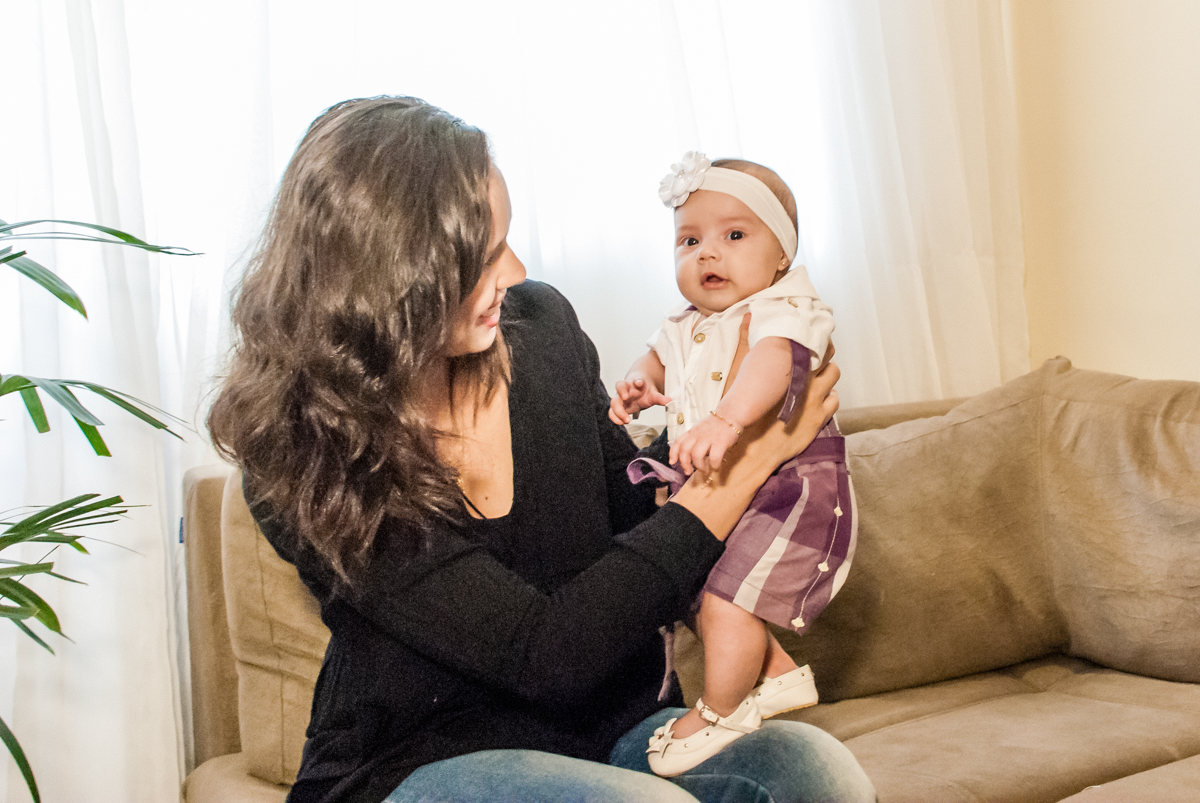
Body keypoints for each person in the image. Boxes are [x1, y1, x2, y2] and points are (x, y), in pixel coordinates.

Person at [208, 96, 875, 803]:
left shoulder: (540, 327)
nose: (516, 269)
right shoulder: (306, 456)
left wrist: (735, 415)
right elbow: (545, 654)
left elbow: (639, 525)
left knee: (812, 769)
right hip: (414, 764)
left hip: (610, 733)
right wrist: (748, 462)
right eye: (485, 253)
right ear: (391, 277)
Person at [609, 153, 857, 776]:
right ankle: (776, 674)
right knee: (693, 593)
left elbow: (773, 362)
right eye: (689, 241)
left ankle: (722, 713)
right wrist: (638, 388)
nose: (707, 254)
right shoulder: (684, 327)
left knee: (726, 601)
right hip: (723, 490)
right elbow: (653, 365)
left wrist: (727, 419)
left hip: (790, 489)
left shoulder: (786, 308)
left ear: (782, 256)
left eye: (734, 235)